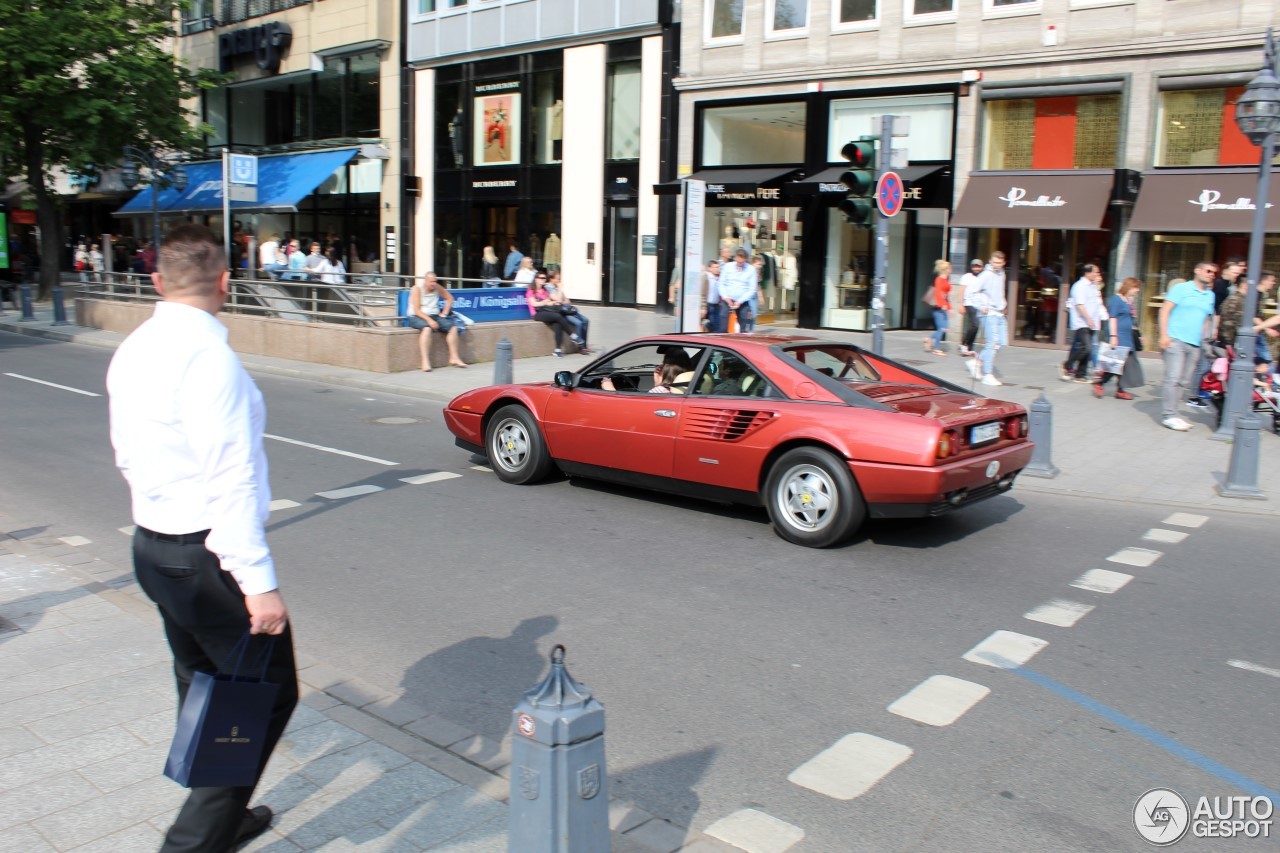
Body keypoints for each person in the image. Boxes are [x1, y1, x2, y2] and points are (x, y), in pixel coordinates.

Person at [105, 224, 295, 853]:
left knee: (203, 684)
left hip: (152, 546)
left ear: (157, 281)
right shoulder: (212, 359)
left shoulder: (133, 346)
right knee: (260, 699)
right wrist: (258, 585)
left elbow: (126, 454)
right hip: (206, 555)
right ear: (224, 282)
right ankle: (193, 842)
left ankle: (225, 816)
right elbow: (231, 478)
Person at [1159, 261, 1218, 431]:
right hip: (1175, 340)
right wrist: (1164, 335)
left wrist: (1202, 337)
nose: (1211, 274)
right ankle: (1168, 415)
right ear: (1197, 271)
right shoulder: (1181, 288)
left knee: (1184, 381)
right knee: (1173, 378)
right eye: (1208, 271)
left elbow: (1206, 317)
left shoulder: (1210, 295)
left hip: (1194, 344)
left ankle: (1174, 413)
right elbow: (1165, 310)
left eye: (1214, 273)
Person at [1093, 277, 1142, 400]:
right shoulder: (1116, 300)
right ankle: (1100, 382)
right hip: (1119, 335)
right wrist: (1113, 337)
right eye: (1136, 287)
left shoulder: (1127, 301)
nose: (1138, 290)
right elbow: (1113, 318)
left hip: (1127, 336)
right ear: (1129, 287)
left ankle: (1120, 389)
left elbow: (1131, 320)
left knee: (1124, 364)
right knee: (1114, 363)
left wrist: (1138, 335)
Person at [408, 272, 467, 371]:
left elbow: (450, 298)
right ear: (425, 281)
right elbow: (417, 310)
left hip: (434, 315)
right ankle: (425, 361)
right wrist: (429, 320)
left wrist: (444, 313)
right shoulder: (417, 289)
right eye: (431, 282)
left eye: (435, 281)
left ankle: (454, 357)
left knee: (453, 328)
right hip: (417, 316)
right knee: (427, 329)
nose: (433, 284)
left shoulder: (437, 287)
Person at [965, 252, 1007, 386]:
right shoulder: (986, 275)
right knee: (992, 343)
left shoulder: (1002, 274)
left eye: (999, 263)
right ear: (990, 261)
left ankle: (976, 362)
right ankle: (987, 374)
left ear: (1003, 263)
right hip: (989, 313)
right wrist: (980, 306)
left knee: (1000, 343)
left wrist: (1003, 304)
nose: (996, 265)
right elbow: (972, 291)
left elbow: (1001, 291)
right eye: (994, 262)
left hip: (999, 312)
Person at [1062, 264, 1103, 382]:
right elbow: (1080, 305)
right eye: (1095, 272)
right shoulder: (1079, 286)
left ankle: (1080, 374)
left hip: (1092, 322)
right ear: (1088, 273)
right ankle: (1067, 365)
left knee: (1085, 348)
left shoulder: (1092, 286)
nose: (1097, 275)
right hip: (1082, 322)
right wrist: (1088, 318)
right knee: (1087, 347)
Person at [527, 272, 582, 356]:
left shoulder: (544, 290)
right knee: (558, 316)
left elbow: (549, 301)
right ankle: (573, 336)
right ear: (536, 279)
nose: (543, 280)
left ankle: (557, 350)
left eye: (544, 278)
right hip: (537, 314)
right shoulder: (531, 290)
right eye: (541, 278)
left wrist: (552, 303)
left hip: (547, 311)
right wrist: (544, 302)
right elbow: (533, 304)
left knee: (557, 323)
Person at [546, 270, 592, 354]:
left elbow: (567, 300)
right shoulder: (549, 288)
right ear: (551, 279)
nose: (559, 280)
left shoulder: (556, 287)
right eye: (557, 279)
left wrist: (562, 299)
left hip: (568, 309)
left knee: (586, 320)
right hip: (562, 312)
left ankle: (585, 345)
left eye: (559, 278)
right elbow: (558, 300)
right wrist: (560, 290)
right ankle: (580, 347)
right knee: (578, 323)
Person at [602, 352, 693, 393]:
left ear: (668, 369)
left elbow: (633, 410)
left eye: (664, 362)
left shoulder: (660, 392)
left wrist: (610, 389)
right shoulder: (689, 387)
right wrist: (659, 382)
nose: (660, 366)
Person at [719, 248, 758, 333]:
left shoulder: (751, 269)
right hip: (728, 300)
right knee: (723, 327)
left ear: (745, 260)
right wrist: (726, 297)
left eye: (742, 262)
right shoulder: (727, 267)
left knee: (742, 328)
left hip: (742, 302)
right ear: (735, 258)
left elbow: (752, 289)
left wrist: (740, 301)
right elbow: (721, 283)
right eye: (739, 262)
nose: (740, 264)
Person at [923, 259, 951, 356]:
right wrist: (942, 304)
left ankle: (929, 339)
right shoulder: (939, 279)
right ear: (945, 269)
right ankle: (936, 348)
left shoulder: (945, 279)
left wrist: (948, 307)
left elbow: (945, 294)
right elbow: (938, 292)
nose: (950, 270)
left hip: (944, 307)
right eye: (949, 268)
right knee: (942, 328)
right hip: (939, 308)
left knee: (944, 328)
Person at [958, 258, 984, 357]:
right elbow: (961, 291)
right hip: (969, 303)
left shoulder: (983, 278)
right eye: (974, 266)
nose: (976, 268)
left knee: (975, 326)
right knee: (975, 324)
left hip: (979, 305)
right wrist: (960, 304)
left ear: (981, 267)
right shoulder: (966, 277)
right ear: (971, 267)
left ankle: (969, 346)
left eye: (978, 266)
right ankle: (964, 344)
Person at [703, 260, 724, 333]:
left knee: (716, 325)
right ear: (709, 268)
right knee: (714, 325)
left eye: (718, 267)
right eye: (715, 267)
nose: (717, 269)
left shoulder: (719, 278)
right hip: (708, 304)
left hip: (716, 305)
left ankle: (708, 327)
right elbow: (703, 293)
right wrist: (703, 306)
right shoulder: (706, 277)